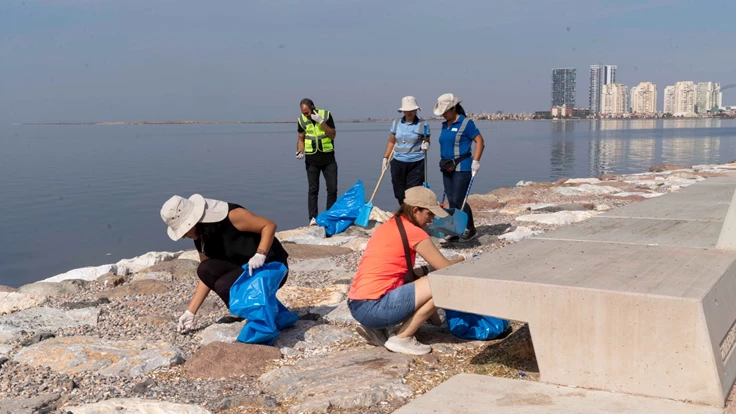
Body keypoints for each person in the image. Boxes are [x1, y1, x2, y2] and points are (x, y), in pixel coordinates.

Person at [347, 186, 467, 355]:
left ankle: (379, 328)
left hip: (357, 304)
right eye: (430, 214)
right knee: (442, 283)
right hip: (374, 307)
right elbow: (446, 269)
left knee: (423, 276)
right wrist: (462, 260)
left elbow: (401, 271)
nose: (431, 220)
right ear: (416, 210)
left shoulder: (391, 225)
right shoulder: (415, 232)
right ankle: (402, 338)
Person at [160, 194, 290, 333]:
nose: (183, 236)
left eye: (184, 230)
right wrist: (190, 312)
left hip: (270, 266)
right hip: (244, 269)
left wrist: (260, 254)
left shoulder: (232, 216)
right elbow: (206, 278)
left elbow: (269, 225)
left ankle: (261, 318)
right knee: (204, 269)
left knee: (224, 285)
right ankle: (249, 311)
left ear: (194, 221)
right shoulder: (201, 235)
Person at [433, 93, 485, 242]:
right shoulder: (445, 125)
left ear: (453, 108)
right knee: (451, 200)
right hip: (447, 166)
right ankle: (455, 231)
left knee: (459, 198)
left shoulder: (466, 123)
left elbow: (480, 141)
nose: (443, 114)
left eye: (445, 111)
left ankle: (471, 229)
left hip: (463, 166)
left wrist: (476, 161)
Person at [295, 98, 338, 226]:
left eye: (307, 112)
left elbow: (332, 135)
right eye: (303, 113)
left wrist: (320, 121)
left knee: (332, 189)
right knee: (313, 189)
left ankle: (329, 216)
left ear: (313, 107)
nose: (305, 115)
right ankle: (313, 218)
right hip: (311, 160)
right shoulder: (301, 120)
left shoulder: (326, 115)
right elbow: (301, 138)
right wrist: (299, 151)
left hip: (328, 159)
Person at [382, 96, 431, 205]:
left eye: (411, 110)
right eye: (407, 110)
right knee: (399, 193)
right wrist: (385, 157)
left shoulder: (423, 124)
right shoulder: (396, 123)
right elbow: (391, 141)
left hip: (416, 163)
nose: (409, 113)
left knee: (412, 193)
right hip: (398, 162)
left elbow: (427, 141)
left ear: (416, 110)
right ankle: (404, 211)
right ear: (403, 110)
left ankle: (410, 216)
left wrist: (426, 144)